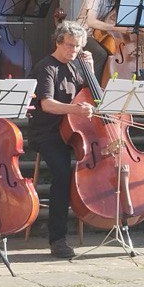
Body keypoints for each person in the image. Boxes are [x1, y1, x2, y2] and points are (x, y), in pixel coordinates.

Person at [27, 20, 95, 259]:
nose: (74, 50)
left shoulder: (76, 67)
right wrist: (75, 110)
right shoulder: (46, 67)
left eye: (78, 46)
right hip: (47, 133)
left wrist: (90, 70)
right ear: (58, 42)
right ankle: (57, 239)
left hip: (74, 132)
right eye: (70, 45)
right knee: (63, 175)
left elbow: (91, 96)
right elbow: (47, 104)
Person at [78, 0, 139, 82]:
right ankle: (93, 86)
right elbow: (91, 22)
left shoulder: (114, 0)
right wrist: (116, 28)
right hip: (84, 34)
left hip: (97, 35)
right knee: (101, 53)